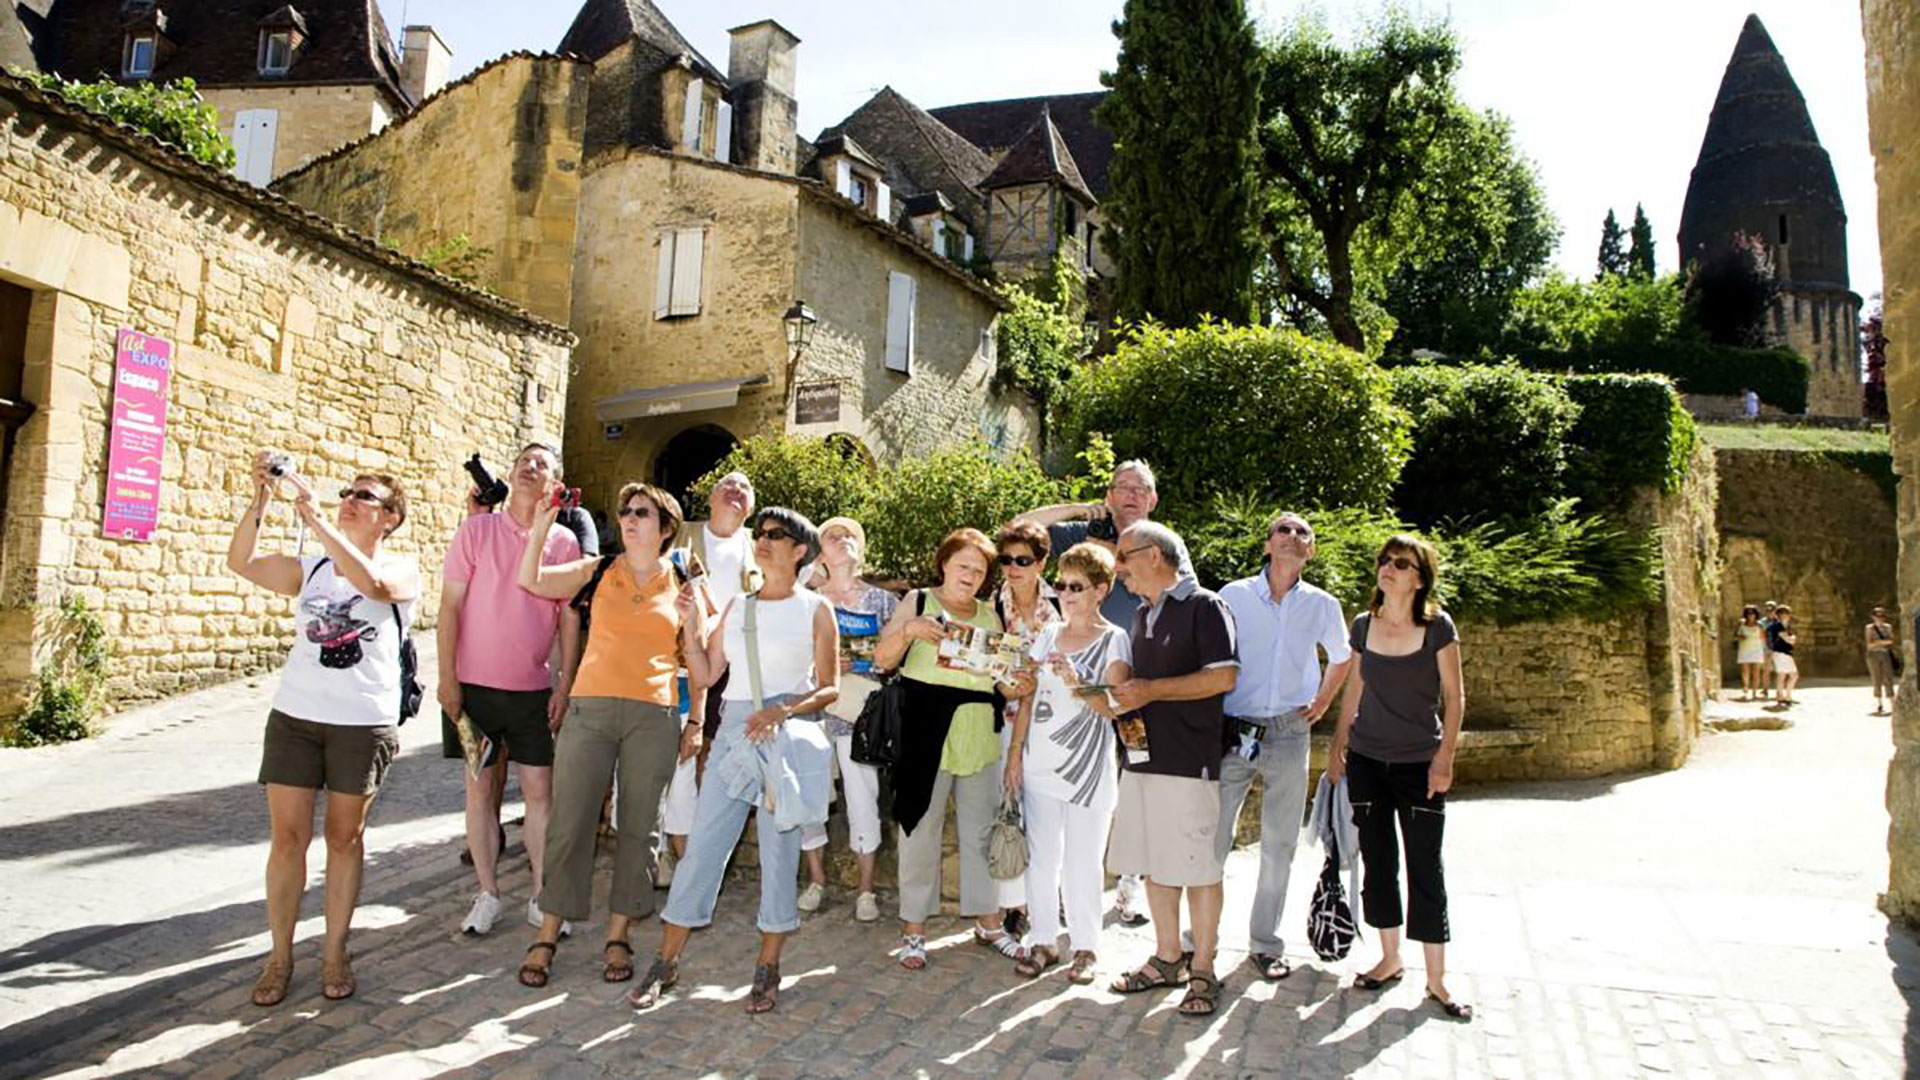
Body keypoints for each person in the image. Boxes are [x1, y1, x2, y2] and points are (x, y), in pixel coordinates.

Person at [628, 508, 840, 1014]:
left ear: (800, 551)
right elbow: (703, 675)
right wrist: (689, 625)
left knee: (780, 855)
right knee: (702, 848)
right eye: (760, 534)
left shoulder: (815, 609)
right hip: (734, 736)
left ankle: (768, 967)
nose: (763, 541)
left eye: (776, 536)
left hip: (783, 735)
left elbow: (829, 686)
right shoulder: (738, 608)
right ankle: (666, 960)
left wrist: (785, 708)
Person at [227, 453, 418, 1005]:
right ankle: (280, 955)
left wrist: (318, 522)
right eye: (348, 493)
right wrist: (262, 497)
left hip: (362, 723)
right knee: (287, 840)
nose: (351, 501)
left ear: (390, 517)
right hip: (296, 717)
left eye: (366, 497)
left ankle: (335, 950)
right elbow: (242, 562)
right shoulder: (311, 567)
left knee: (344, 838)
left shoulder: (405, 566)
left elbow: (375, 583)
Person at [510, 483, 693, 988]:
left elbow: (703, 654)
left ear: (665, 527)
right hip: (589, 710)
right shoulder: (597, 571)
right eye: (625, 512)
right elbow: (531, 578)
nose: (629, 520)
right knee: (570, 822)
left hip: (652, 715)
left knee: (640, 827)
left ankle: (619, 932)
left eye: (642, 513)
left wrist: (696, 720)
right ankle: (548, 930)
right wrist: (545, 521)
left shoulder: (683, 581)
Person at [1013, 460, 1192, 926]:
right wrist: (1081, 508)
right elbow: (1021, 529)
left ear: (1153, 500)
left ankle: (1129, 887)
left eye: (1140, 489)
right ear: (1110, 495)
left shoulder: (1164, 544)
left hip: (1138, 685)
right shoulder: (1081, 531)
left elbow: (1184, 597)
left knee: (1138, 778)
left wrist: (1117, 553)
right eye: (1121, 487)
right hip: (1079, 680)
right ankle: (1052, 904)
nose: (1130, 495)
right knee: (1073, 792)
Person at [872, 528, 1033, 971]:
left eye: (979, 570)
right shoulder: (919, 601)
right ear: (944, 563)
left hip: (977, 730)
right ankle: (913, 931)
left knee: (980, 833)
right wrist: (908, 631)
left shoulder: (989, 615)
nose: (971, 575)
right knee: (918, 830)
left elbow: (1002, 679)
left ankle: (988, 922)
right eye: (964, 565)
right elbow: (882, 660)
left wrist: (1021, 684)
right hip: (924, 730)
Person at [1326, 534, 1471, 1022]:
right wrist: (1336, 746)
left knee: (1425, 866)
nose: (1388, 568)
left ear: (1419, 578)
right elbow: (1355, 690)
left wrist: (1444, 757)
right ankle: (1389, 958)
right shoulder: (1363, 625)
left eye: (1400, 563)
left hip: (1419, 764)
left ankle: (1437, 979)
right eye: (1384, 560)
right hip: (1368, 759)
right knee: (1378, 861)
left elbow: (1455, 697)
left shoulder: (1437, 628)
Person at [439, 443, 582, 936]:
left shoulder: (563, 542)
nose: (530, 467)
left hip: (532, 692)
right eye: (524, 460)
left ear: (554, 483)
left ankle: (542, 895)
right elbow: (450, 609)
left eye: (542, 464)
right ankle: (487, 892)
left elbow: (567, 617)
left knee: (540, 792)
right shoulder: (476, 531)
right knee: (479, 792)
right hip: (473, 692)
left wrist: (564, 683)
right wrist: (446, 679)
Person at [1105, 522, 1238, 1018]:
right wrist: (1115, 692)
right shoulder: (1142, 614)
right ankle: (1167, 958)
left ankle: (1203, 968)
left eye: (1124, 557)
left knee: (1199, 868)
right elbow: (1142, 685)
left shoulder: (1206, 605)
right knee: (1155, 863)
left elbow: (1224, 676)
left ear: (1155, 555)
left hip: (1188, 762)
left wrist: (1150, 690)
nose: (1118, 569)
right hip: (1142, 759)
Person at [1213, 512, 1353, 982]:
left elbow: (1343, 656)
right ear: (1268, 544)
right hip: (1236, 728)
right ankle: (1199, 939)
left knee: (1279, 843)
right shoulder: (1232, 596)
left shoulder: (1322, 605)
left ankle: (1264, 943)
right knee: (1212, 836)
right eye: (1283, 530)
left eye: (1302, 533)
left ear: (1310, 550)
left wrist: (1322, 701)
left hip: (1291, 731)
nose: (1293, 537)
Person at [1003, 542, 1130, 984]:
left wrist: (1078, 683)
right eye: (1061, 584)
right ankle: (1042, 940)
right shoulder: (1047, 633)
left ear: (1101, 589)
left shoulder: (1115, 639)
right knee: (1041, 859)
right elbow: (1027, 695)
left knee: (1083, 861)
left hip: (1088, 768)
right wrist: (1015, 755)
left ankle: (1086, 946)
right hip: (1040, 762)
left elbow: (1115, 708)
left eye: (1077, 586)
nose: (1067, 593)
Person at [659, 470, 757, 884]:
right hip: (679, 660)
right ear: (710, 497)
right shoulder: (684, 536)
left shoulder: (759, 545)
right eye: (728, 484)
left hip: (734, 667)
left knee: (713, 757)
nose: (736, 490)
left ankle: (702, 851)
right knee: (677, 753)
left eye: (745, 488)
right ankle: (669, 851)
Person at [798, 516, 898, 921]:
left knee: (863, 801)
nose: (844, 541)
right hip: (813, 713)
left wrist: (870, 661)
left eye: (850, 536)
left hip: (859, 715)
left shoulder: (882, 602)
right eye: (833, 537)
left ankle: (866, 890)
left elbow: (896, 661)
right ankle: (817, 879)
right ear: (820, 552)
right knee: (809, 800)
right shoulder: (805, 599)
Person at [989, 520, 1057, 938]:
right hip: (1008, 718)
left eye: (1022, 560)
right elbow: (994, 670)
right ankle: (1013, 905)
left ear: (1041, 562)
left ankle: (1046, 899)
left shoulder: (1061, 604)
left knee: (1048, 814)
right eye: (1006, 560)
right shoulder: (993, 609)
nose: (1013, 568)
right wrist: (1014, 685)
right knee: (1010, 810)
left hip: (1053, 723)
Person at [1868, 607, 1899, 715]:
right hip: (1873, 655)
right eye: (1878, 617)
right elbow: (1870, 643)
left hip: (1885, 654)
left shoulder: (1888, 627)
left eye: (1881, 617)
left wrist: (1878, 642)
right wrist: (1883, 642)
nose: (1880, 619)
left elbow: (1891, 641)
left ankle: (1892, 702)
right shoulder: (1870, 628)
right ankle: (1879, 703)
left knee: (1888, 678)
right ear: (1873, 617)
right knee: (1876, 678)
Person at [1768, 605, 1799, 706]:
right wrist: (1793, 638)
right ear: (1779, 615)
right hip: (1781, 653)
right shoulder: (1778, 626)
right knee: (1792, 675)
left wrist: (1792, 638)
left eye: (1787, 613)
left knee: (1783, 675)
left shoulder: (1785, 626)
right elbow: (1788, 640)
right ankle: (1786, 696)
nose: (1786, 615)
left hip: (1783, 653)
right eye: (1783, 613)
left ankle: (1782, 697)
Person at [1735, 605, 1767, 700]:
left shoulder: (1760, 625)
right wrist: (1741, 637)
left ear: (1756, 614)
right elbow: (1736, 634)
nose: (1750, 615)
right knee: (1745, 670)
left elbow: (1763, 637)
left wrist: (1764, 648)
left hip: (1756, 649)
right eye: (1748, 613)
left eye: (1752, 613)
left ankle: (1754, 691)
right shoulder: (1741, 624)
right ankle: (1746, 686)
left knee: (1756, 671)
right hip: (1745, 648)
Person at [1760, 600, 1780, 698]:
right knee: (1766, 670)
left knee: (1779, 670)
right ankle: (1765, 689)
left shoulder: (1779, 622)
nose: (1769, 612)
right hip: (1766, 648)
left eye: (1771, 609)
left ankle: (1778, 689)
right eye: (1768, 609)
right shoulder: (1762, 622)